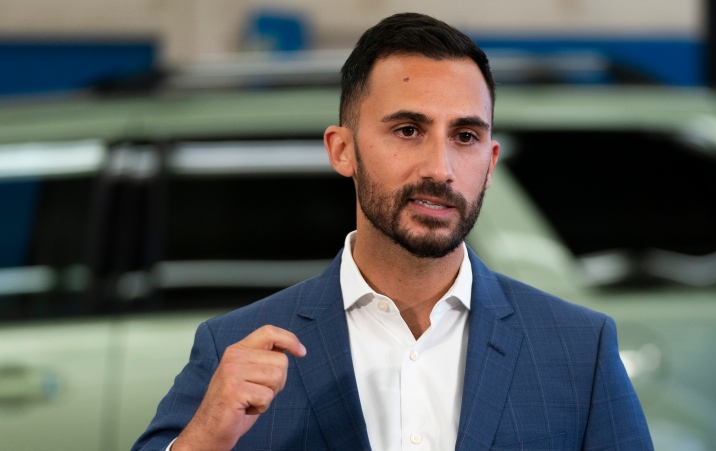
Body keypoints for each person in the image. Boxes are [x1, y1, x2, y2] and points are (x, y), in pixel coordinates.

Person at [133, 12, 653, 451]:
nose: (441, 167)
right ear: (342, 150)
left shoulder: (579, 351)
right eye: (408, 130)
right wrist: (203, 439)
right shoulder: (235, 348)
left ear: (490, 162)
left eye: (466, 136)